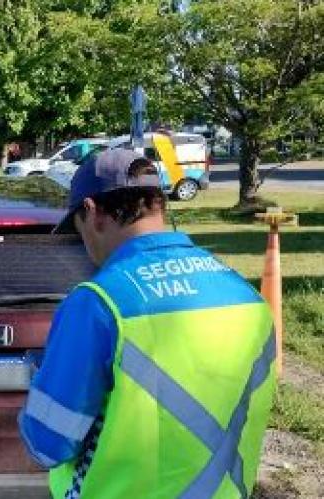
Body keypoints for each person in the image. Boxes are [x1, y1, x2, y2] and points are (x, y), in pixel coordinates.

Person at [19, 149, 276, 498]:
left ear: (92, 213)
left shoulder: (98, 302)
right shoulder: (246, 296)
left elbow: (48, 445)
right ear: (160, 204)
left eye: (78, 229)